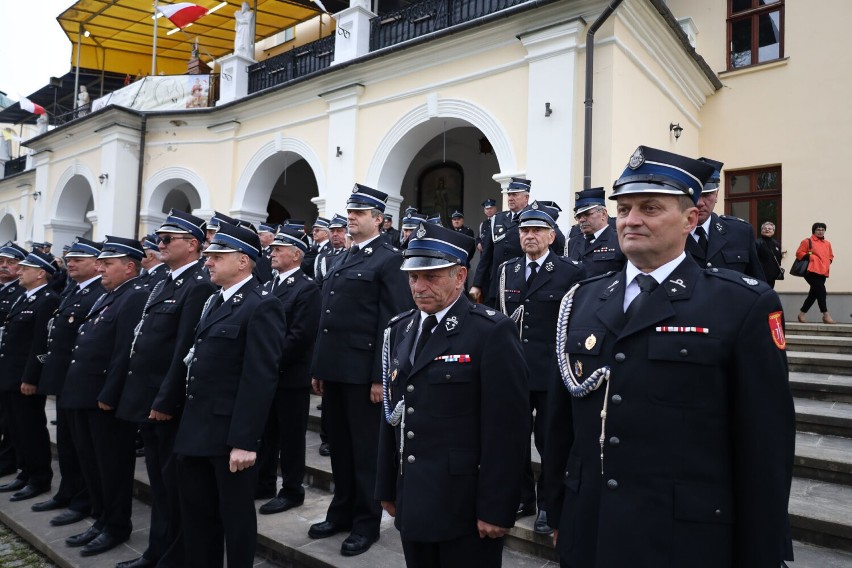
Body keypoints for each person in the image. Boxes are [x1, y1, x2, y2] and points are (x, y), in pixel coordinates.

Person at [543, 146, 795, 567]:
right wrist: (556, 508)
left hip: (684, 537)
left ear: (690, 219)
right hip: (591, 527)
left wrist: (761, 547)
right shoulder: (581, 301)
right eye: (623, 209)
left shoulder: (741, 304)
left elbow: (764, 442)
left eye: (650, 207)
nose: (631, 219)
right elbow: (560, 426)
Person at [376, 221, 529, 568]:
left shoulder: (490, 332)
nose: (419, 286)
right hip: (414, 495)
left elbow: (508, 430)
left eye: (431, 276)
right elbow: (394, 413)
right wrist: (386, 485)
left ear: (460, 276)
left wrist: (495, 507)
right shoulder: (400, 329)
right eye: (414, 277)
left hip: (464, 503)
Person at [171, 221, 286, 568]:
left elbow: (260, 378)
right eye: (208, 255)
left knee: (235, 521)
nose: (208, 261)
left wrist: (245, 441)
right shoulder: (214, 301)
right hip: (196, 429)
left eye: (217, 256)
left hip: (229, 436)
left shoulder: (261, 305)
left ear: (243, 261)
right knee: (197, 518)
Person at [309, 184, 413, 557]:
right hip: (336, 370)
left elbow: (393, 324)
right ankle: (341, 511)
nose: (351, 217)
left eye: (359, 213)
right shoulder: (343, 257)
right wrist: (320, 367)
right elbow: (328, 318)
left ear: (379, 220)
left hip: (363, 374)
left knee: (366, 453)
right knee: (339, 448)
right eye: (350, 212)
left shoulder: (388, 259)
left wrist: (379, 377)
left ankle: (366, 522)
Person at [114, 211, 214, 568]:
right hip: (148, 399)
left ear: (192, 245)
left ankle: (172, 556)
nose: (159, 244)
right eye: (160, 238)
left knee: (174, 487)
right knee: (160, 485)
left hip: (168, 405)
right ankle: (158, 551)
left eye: (168, 239)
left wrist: (165, 400)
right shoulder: (166, 283)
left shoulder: (198, 284)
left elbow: (183, 351)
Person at [497, 207, 583, 535]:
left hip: (551, 373)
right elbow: (498, 318)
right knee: (513, 439)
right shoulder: (507, 270)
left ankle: (549, 502)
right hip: (515, 370)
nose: (529, 236)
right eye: (524, 231)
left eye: (536, 231)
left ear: (551, 235)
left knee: (551, 442)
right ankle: (523, 497)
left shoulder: (568, 271)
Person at [61, 237, 149, 556]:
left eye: (107, 263)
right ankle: (100, 518)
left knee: (111, 467)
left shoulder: (134, 296)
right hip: (85, 394)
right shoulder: (111, 294)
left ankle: (115, 525)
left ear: (128, 267)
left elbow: (125, 350)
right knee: (92, 463)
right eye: (100, 262)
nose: (100, 268)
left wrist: (110, 394)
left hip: (104, 399)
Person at [31, 238, 104, 528]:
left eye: (79, 259)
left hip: (83, 383)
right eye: (69, 259)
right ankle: (68, 492)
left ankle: (82, 499)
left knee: (80, 448)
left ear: (96, 263)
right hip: (65, 380)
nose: (70, 263)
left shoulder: (98, 293)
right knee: (67, 444)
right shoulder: (76, 290)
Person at [256, 227, 321, 515]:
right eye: (273, 249)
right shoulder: (269, 285)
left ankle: (292, 490)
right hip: (268, 373)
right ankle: (264, 482)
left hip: (290, 375)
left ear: (296, 255)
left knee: (291, 437)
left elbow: (300, 336)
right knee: (266, 432)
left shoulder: (306, 288)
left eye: (279, 249)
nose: (272, 252)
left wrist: (269, 361)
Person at [0, 251, 59, 503]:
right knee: (15, 429)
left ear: (40, 273)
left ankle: (39, 477)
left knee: (31, 429)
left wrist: (32, 378)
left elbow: (40, 344)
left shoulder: (47, 300)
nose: (19, 271)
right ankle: (25, 472)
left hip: (24, 378)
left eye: (25, 268)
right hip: (9, 375)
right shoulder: (24, 298)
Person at [684, 157, 765, 280]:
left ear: (716, 194)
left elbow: (757, 283)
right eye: (695, 195)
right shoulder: (668, 234)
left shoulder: (740, 232)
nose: (700, 202)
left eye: (707, 195)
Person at [471, 178, 533, 306]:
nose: (510, 198)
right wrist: (477, 284)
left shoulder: (533, 218)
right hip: (497, 284)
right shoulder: (497, 219)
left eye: (515, 195)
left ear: (526, 198)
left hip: (521, 283)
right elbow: (486, 256)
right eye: (509, 194)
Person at [0, 243, 26, 479]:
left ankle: (9, 459)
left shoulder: (21, 292)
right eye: (1, 263)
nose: (4, 267)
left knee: (11, 420)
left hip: (12, 365)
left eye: (11, 263)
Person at [565, 188, 625, 276]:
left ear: (603, 214)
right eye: (578, 216)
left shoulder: (620, 240)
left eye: (587, 214)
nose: (581, 220)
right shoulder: (573, 243)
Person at [796, 222, 836, 324]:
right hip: (810, 270)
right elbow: (799, 253)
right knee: (822, 291)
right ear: (814, 231)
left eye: (822, 229)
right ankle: (825, 314)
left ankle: (802, 313)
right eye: (818, 229)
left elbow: (831, 256)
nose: (820, 231)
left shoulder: (827, 243)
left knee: (814, 294)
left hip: (823, 271)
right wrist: (811, 257)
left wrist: (828, 262)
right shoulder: (807, 241)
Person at [756, 221, 784, 289]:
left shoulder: (776, 243)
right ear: (761, 231)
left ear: (773, 231)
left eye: (769, 228)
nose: (767, 229)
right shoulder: (757, 243)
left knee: (769, 292)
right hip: (760, 275)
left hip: (772, 276)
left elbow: (779, 257)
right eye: (764, 228)